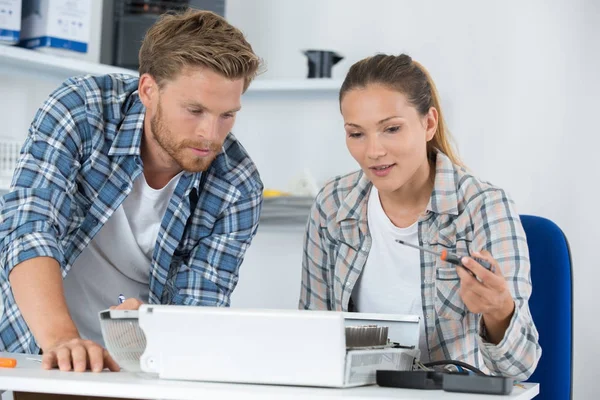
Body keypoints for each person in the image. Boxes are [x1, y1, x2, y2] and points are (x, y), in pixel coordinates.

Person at [0, 9, 263, 372]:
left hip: (137, 369)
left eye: (227, 115)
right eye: (195, 110)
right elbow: (29, 229)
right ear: (148, 90)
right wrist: (62, 340)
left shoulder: (237, 186)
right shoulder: (80, 111)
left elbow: (200, 312)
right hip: (31, 343)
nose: (210, 133)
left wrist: (158, 326)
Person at [299, 53, 541, 380]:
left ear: (428, 123)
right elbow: (311, 340)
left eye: (392, 129)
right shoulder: (332, 204)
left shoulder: (484, 207)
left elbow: (520, 367)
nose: (373, 152)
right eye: (356, 134)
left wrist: (498, 310)